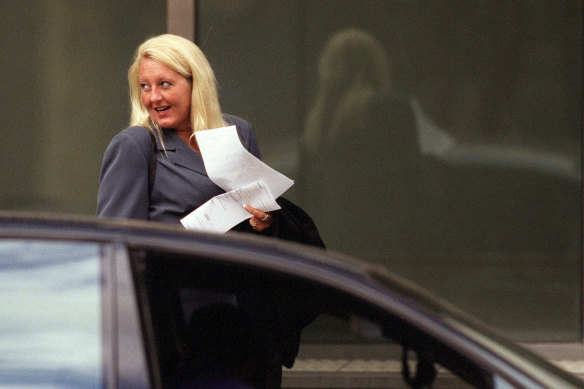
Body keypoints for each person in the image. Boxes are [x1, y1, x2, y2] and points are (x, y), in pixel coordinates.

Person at [97, 33, 272, 231]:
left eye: (164, 84)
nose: (153, 97)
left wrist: (265, 220)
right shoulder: (134, 145)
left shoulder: (239, 133)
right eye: (145, 87)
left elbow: (260, 221)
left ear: (195, 84)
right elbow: (117, 238)